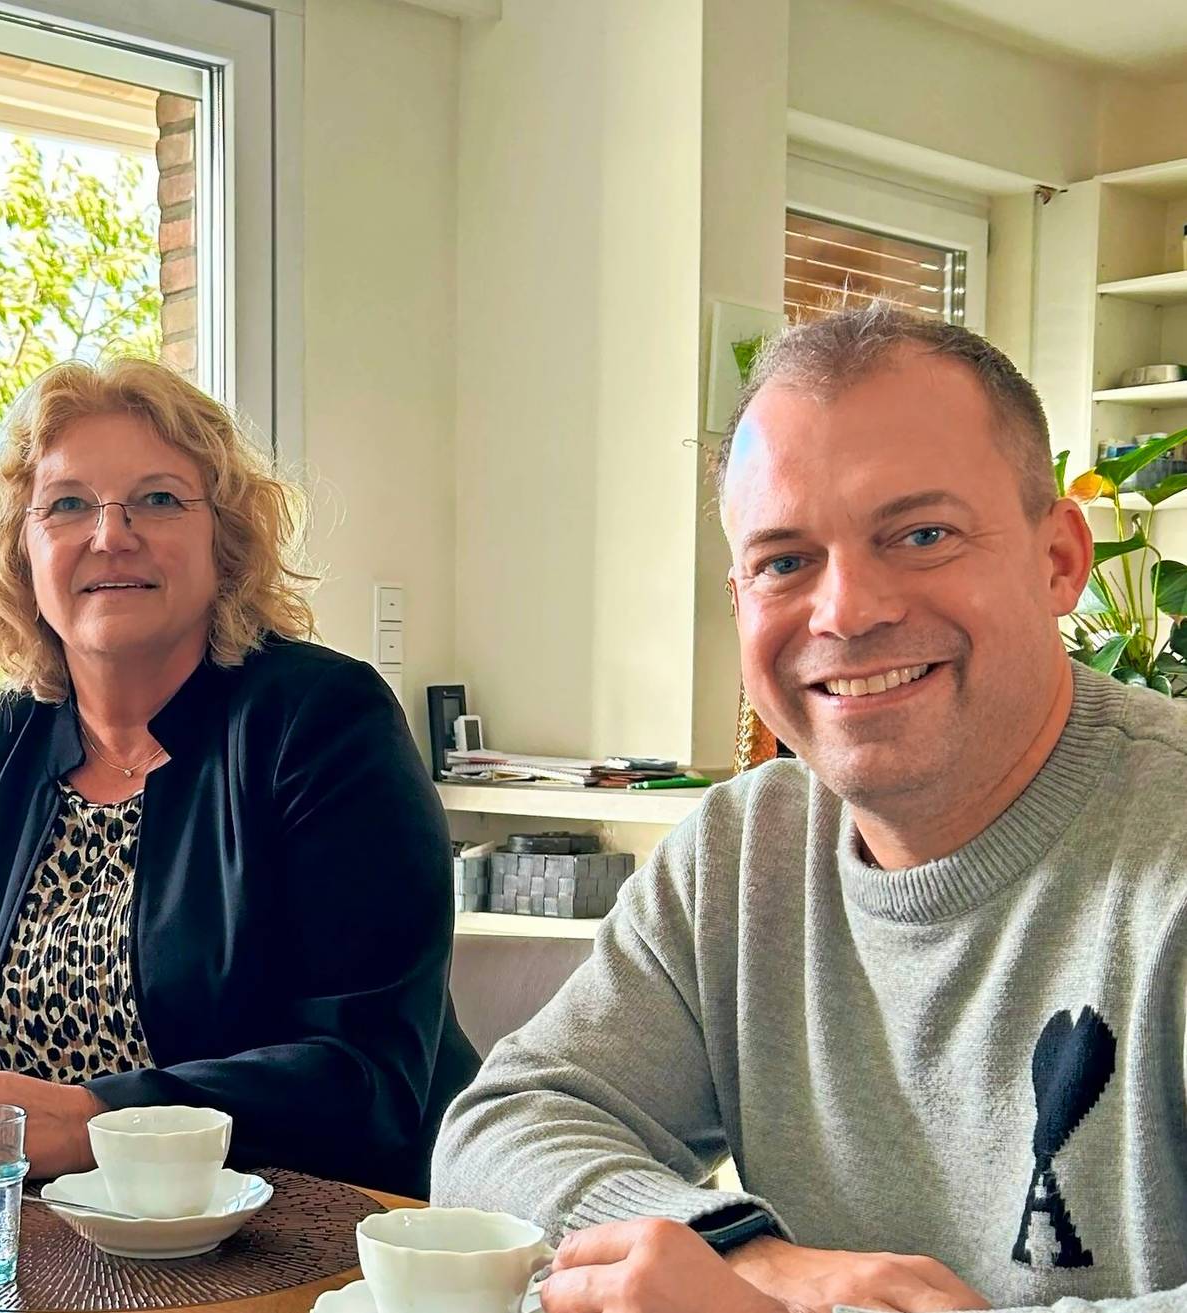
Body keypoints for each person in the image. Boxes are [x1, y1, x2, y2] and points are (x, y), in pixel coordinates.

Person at [434, 302, 1187, 1313]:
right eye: (785, 560)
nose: (848, 610)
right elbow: (504, 1126)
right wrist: (746, 1255)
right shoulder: (744, 851)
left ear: (1059, 560)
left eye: (921, 533)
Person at [0, 357, 476, 1198]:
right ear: (23, 548)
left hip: (307, 1236)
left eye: (156, 498)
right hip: (40, 1241)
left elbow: (365, 1071)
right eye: (68, 504)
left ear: (224, 540)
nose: (110, 535)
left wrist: (95, 1122)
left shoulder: (324, 721)